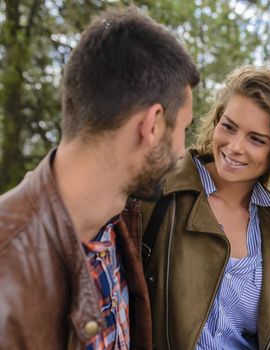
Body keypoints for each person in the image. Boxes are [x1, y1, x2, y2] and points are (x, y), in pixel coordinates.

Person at [0, 7, 199, 349]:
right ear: (152, 125)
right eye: (184, 129)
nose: (183, 151)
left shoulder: (115, 221)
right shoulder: (8, 266)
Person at [141, 65, 270, 349]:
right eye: (229, 127)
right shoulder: (159, 194)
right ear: (216, 121)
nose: (235, 146)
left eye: (256, 139)